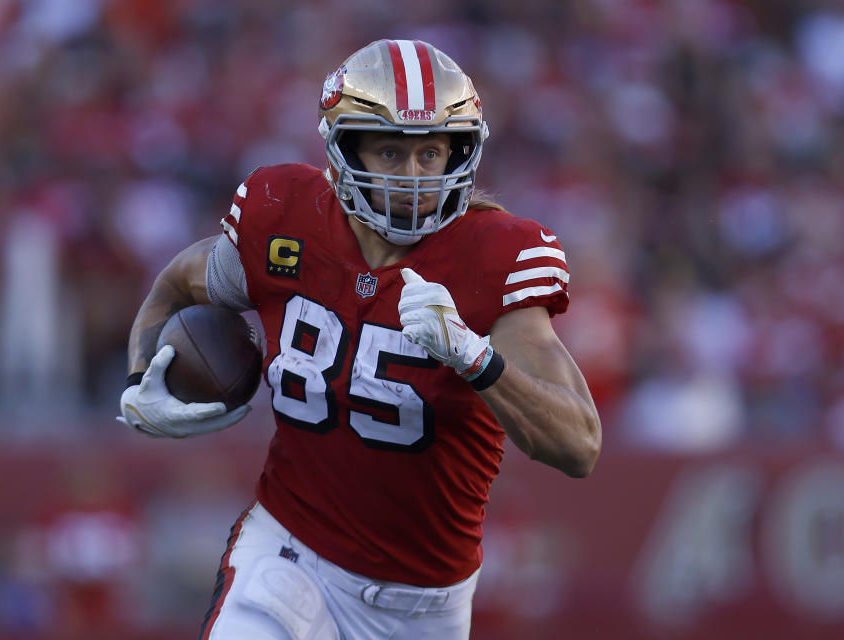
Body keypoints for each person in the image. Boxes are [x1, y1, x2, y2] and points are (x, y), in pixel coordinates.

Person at [118, 39, 601, 640]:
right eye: (391, 152)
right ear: (344, 150)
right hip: (288, 554)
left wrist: (475, 357)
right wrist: (142, 373)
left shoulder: (497, 257)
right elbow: (179, 282)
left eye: (430, 153)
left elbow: (578, 445)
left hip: (425, 602)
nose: (415, 177)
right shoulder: (284, 218)